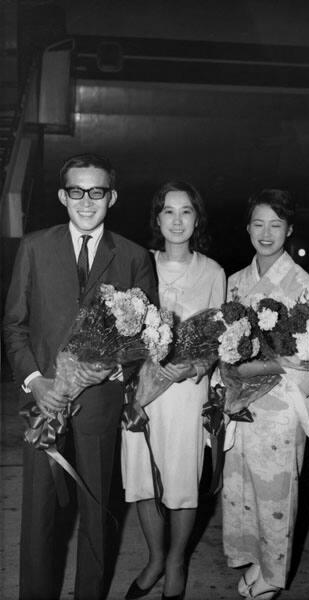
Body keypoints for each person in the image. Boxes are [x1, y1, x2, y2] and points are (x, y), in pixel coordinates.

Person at [3, 153, 157, 600]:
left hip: (100, 403)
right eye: (76, 191)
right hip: (43, 402)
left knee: (96, 513)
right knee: (39, 515)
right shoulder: (34, 246)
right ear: (61, 196)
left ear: (112, 197)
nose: (86, 201)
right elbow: (14, 325)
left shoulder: (132, 256)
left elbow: (145, 337)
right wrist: (37, 380)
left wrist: (108, 367)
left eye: (96, 192)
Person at [121, 181, 226, 600]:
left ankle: (178, 560)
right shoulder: (136, 262)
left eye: (186, 212)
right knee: (141, 477)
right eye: (168, 211)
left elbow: (220, 340)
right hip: (142, 389)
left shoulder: (213, 271)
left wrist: (197, 364)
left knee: (182, 481)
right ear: (157, 218)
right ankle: (155, 559)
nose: (177, 220)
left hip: (186, 393)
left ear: (196, 219)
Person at [221, 189, 309, 600]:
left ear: (289, 229)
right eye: (258, 223)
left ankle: (274, 573)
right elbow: (225, 343)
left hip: (281, 402)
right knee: (241, 484)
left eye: (276, 224)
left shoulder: (301, 283)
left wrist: (268, 365)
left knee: (275, 491)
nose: (266, 233)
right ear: (247, 228)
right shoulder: (235, 281)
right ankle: (255, 558)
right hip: (241, 403)